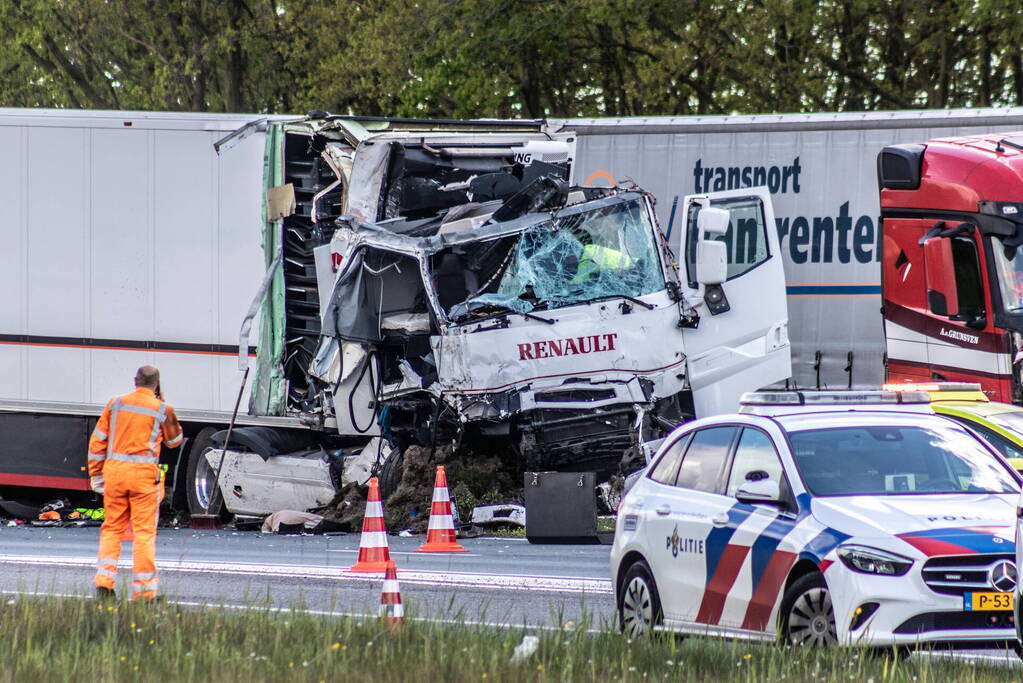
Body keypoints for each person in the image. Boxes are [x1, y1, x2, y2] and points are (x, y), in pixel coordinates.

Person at [87, 366, 182, 600]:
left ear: (135, 381)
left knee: (112, 528)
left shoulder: (115, 404)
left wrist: (96, 473)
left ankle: (104, 583)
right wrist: (166, 409)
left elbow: (97, 441)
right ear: (157, 384)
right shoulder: (163, 409)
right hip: (143, 478)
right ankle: (145, 593)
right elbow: (175, 441)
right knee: (144, 533)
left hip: (115, 474)